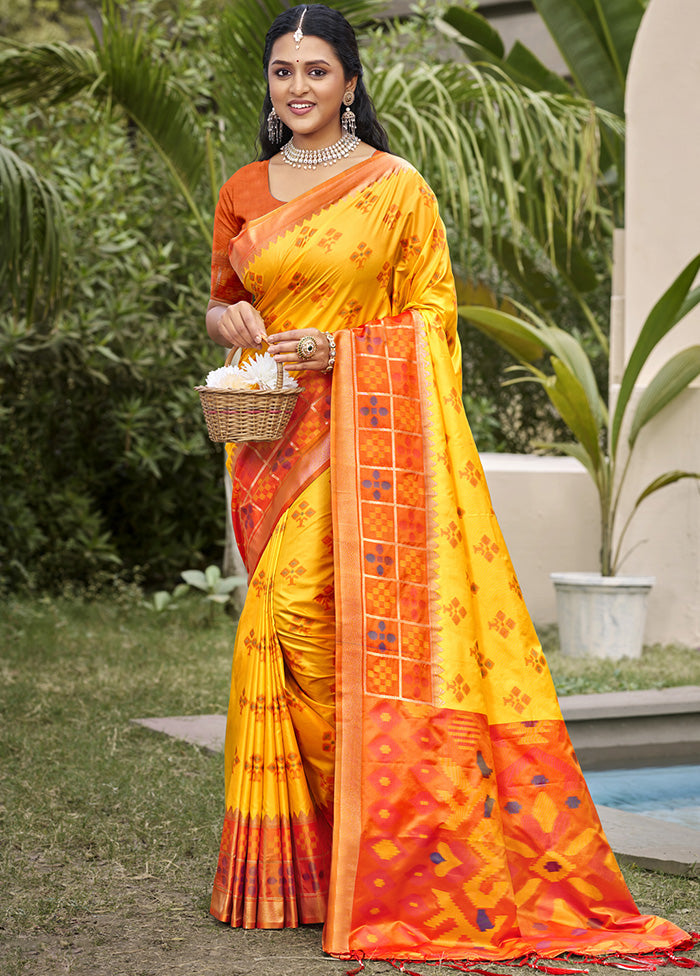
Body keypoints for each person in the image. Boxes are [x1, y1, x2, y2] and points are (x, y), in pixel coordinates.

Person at [205, 3, 695, 965]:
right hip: (272, 442)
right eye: (281, 73)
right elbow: (226, 301)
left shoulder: (395, 189)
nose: (296, 88)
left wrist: (338, 351)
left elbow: (432, 321)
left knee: (308, 620)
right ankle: (322, 856)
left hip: (368, 436)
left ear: (350, 83)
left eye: (315, 71)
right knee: (289, 622)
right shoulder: (242, 189)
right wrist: (226, 323)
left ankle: (390, 843)